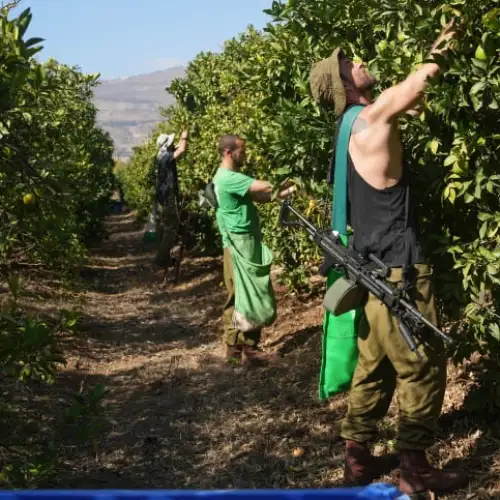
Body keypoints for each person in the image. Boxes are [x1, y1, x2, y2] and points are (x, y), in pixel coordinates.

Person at [309, 19, 468, 497]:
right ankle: (415, 468)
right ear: (343, 83)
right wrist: (453, 37)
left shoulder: (347, 129)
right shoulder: (373, 119)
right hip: (399, 270)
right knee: (421, 364)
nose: (359, 61)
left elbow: (407, 96)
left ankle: (357, 460)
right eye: (349, 63)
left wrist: (433, 50)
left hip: (369, 268)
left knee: (373, 364)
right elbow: (419, 81)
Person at [213, 134, 295, 366]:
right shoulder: (229, 177)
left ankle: (237, 350)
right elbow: (263, 186)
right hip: (241, 243)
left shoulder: (227, 178)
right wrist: (291, 180)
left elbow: (261, 195)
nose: (245, 155)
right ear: (229, 153)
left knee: (241, 293)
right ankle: (246, 348)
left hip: (239, 242)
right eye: (242, 150)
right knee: (247, 294)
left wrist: (286, 192)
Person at [154, 130, 189, 268]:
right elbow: (182, 150)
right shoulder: (165, 157)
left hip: (165, 197)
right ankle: (162, 259)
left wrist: (182, 137)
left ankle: (163, 256)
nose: (173, 143)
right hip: (169, 197)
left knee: (167, 227)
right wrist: (184, 137)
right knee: (170, 229)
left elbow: (179, 148)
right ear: (166, 146)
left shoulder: (162, 154)